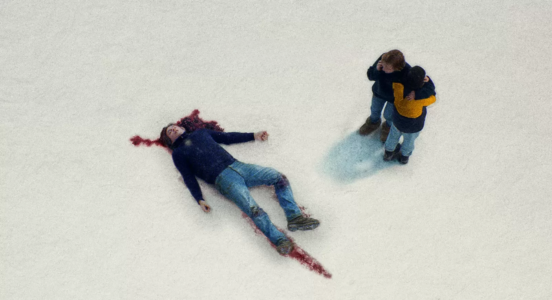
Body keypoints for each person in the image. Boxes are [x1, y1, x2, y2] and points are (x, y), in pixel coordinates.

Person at [159, 124, 320, 255]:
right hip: (223, 180)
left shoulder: (201, 133)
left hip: (240, 166)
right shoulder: (178, 153)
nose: (172, 129)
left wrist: (254, 135)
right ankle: (280, 240)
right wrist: (199, 199)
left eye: (173, 126)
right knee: (254, 209)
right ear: (170, 140)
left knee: (279, 178)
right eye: (169, 132)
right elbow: (188, 177)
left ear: (182, 127)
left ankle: (295, 218)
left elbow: (228, 137)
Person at [383, 66, 436, 164]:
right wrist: (427, 83)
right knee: (409, 140)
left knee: (393, 136)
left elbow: (396, 82)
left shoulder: (398, 88)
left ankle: (388, 152)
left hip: (398, 122)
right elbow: (433, 97)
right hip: (414, 126)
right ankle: (405, 156)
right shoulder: (420, 99)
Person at [359, 49, 411, 142]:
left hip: (393, 98)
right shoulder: (383, 60)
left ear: (397, 68)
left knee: (389, 115)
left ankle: (388, 127)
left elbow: (411, 86)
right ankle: (373, 123)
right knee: (375, 109)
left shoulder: (406, 71)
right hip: (379, 93)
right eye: (383, 65)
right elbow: (371, 76)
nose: (384, 69)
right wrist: (377, 70)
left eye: (388, 68)